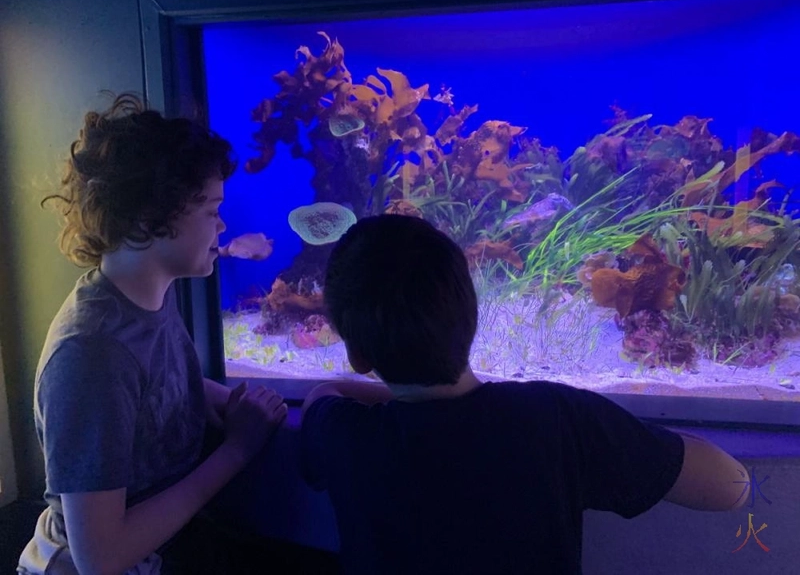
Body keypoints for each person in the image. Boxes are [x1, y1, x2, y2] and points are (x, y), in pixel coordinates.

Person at [300, 213, 751, 575]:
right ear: (473, 317)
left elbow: (322, 395)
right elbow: (732, 487)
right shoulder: (553, 418)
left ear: (357, 354)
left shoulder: (344, 436)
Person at [18, 93, 288, 575]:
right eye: (210, 210)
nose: (223, 225)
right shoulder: (91, 355)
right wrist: (237, 450)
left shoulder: (149, 291)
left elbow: (154, 388)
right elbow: (99, 558)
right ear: (150, 220)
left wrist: (227, 402)